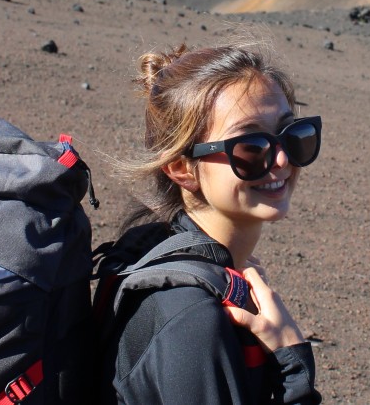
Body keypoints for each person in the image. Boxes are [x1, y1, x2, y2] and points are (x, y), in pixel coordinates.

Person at [94, 42, 322, 404]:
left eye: (292, 135)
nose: (281, 160)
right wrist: (293, 367)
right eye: (250, 146)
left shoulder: (171, 253)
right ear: (181, 168)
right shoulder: (190, 317)